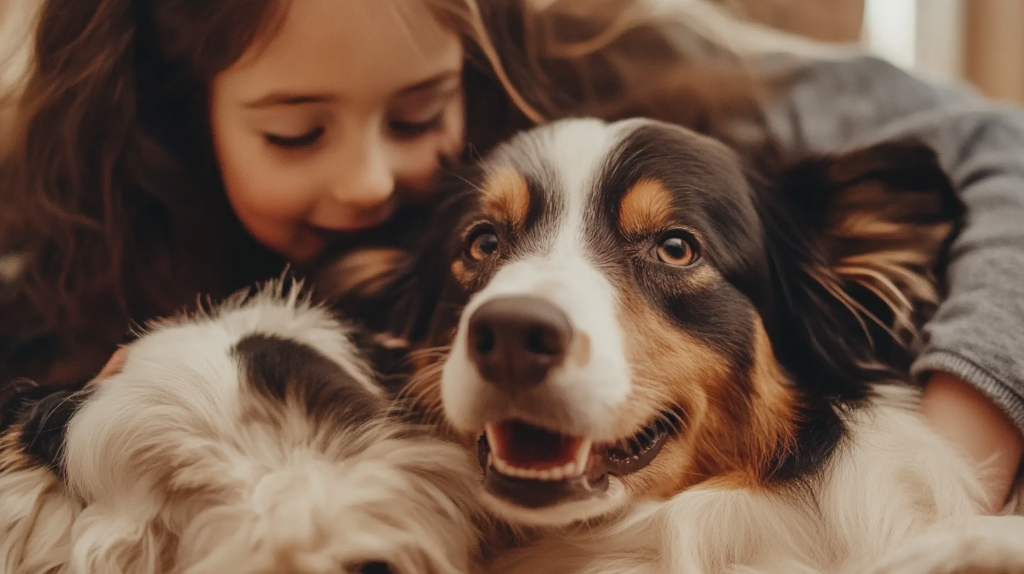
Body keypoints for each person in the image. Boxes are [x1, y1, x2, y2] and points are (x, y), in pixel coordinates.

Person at [0, 0, 1021, 514]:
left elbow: (995, 146)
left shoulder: (599, 48)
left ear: (477, 60)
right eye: (296, 133)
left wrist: (955, 460)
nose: (367, 185)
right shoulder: (62, 218)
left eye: (418, 113)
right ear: (182, 118)